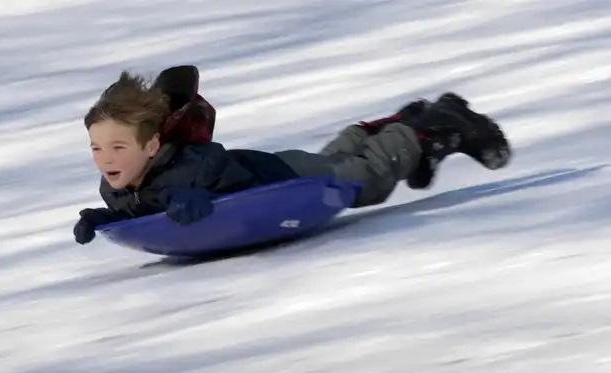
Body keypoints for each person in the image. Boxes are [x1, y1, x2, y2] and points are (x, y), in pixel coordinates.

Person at [73, 66, 510, 244]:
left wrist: (198, 198)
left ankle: (434, 127)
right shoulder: (117, 182)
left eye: (117, 147)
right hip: (283, 169)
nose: (106, 159)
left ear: (151, 146)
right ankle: (405, 120)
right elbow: (140, 206)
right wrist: (101, 217)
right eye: (96, 148)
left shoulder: (192, 166)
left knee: (365, 179)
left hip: (282, 178)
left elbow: (219, 180)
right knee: (338, 161)